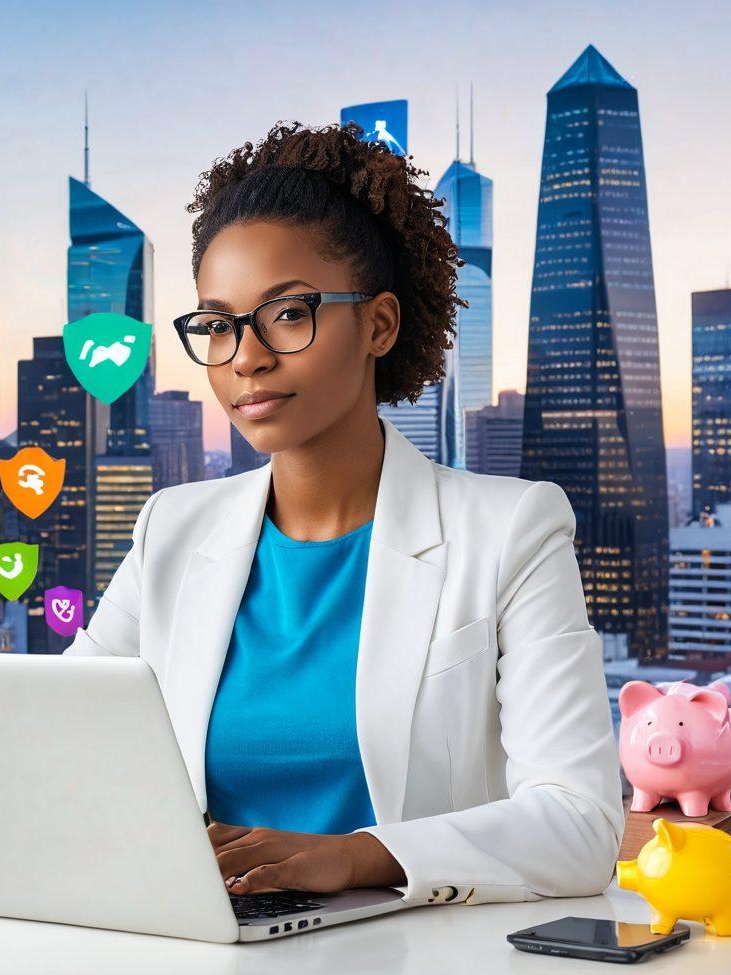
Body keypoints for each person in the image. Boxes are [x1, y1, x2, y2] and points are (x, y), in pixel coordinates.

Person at [65, 120, 625, 908]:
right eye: (218, 325)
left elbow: (579, 827)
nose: (246, 356)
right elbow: (60, 740)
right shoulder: (172, 530)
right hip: (206, 960)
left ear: (379, 324)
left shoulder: (513, 531)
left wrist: (356, 856)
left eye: (287, 314)